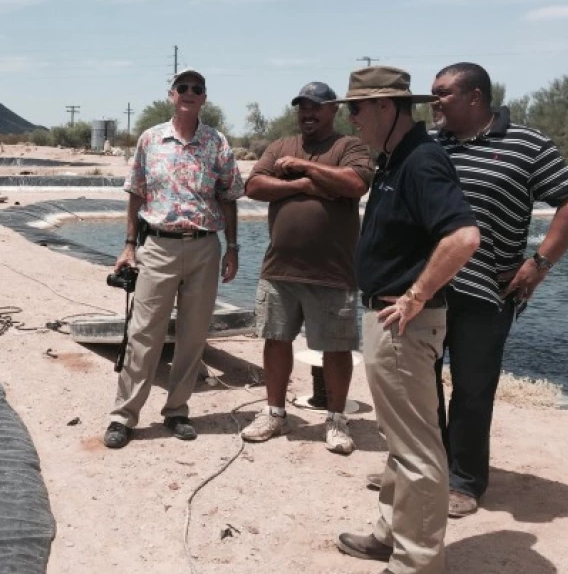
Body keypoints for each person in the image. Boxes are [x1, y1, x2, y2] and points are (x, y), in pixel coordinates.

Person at [332, 65, 481, 574]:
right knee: (402, 440)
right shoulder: (397, 158)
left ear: (385, 106)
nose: (350, 119)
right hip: (390, 321)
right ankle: (389, 534)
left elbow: (463, 238)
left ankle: (416, 564)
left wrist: (416, 295)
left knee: (417, 450)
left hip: (402, 325)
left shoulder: (422, 161)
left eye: (355, 108)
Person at [428, 62, 568, 517]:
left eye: (442, 93)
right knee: (420, 384)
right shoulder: (431, 144)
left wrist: (540, 263)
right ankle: (424, 470)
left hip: (488, 291)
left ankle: (464, 482)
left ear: (475, 97)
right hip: (427, 288)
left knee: (473, 388)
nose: (434, 102)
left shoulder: (527, 144)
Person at [103, 67, 244, 449]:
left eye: (197, 88)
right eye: (183, 87)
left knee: (193, 335)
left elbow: (229, 197)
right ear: (171, 94)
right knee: (143, 334)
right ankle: (123, 416)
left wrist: (232, 248)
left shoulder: (217, 143)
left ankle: (177, 411)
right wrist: (129, 245)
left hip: (203, 247)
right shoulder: (150, 140)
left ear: (204, 98)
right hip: (159, 247)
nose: (189, 92)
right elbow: (136, 191)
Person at [242, 81, 372, 454]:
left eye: (316, 107)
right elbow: (253, 186)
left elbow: (355, 184)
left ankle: (335, 419)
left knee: (336, 347)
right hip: (279, 268)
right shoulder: (280, 146)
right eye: (302, 107)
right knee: (275, 340)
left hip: (333, 271)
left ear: (333, 110)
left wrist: (298, 167)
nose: (307, 113)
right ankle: (275, 413)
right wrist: (305, 184)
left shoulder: (349, 146)